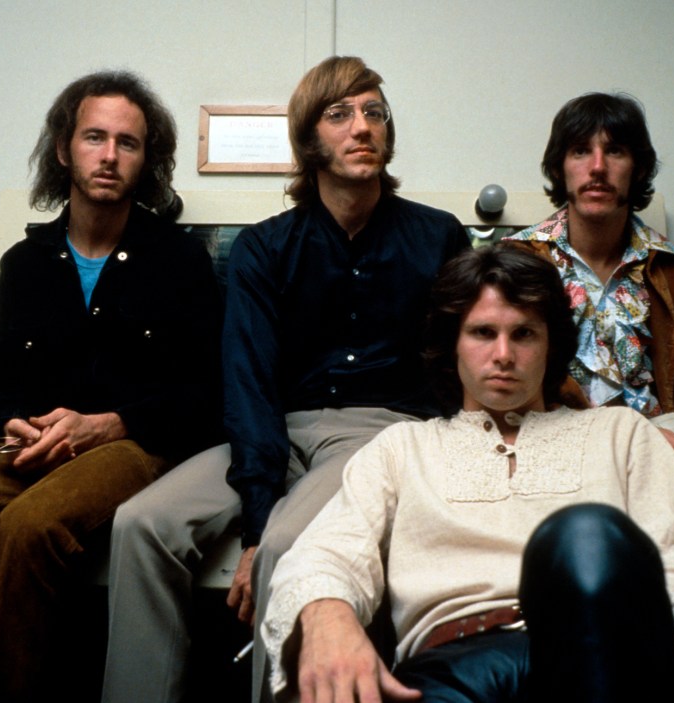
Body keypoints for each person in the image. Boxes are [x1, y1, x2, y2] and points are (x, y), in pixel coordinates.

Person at [101, 55, 470, 703]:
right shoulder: (265, 247)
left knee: (288, 544)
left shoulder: (437, 237)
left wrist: (261, 535)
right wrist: (256, 509)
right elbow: (248, 384)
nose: (362, 126)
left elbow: (463, 360)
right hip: (278, 426)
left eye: (374, 112)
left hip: (382, 432)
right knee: (140, 524)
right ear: (308, 139)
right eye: (339, 114)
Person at [263, 243, 674, 703]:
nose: (503, 355)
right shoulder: (402, 448)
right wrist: (325, 612)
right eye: (483, 333)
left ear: (551, 346)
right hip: (449, 669)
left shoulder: (621, 433)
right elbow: (325, 553)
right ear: (453, 344)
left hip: (601, 654)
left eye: (524, 333)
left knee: (583, 532)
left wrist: (639, 647)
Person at [0, 70, 223, 703]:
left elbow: (205, 396)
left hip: (133, 445)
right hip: (35, 441)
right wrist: (12, 421)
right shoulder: (25, 263)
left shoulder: (179, 261)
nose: (109, 155)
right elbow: (3, 389)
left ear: (145, 159)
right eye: (94, 137)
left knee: (30, 526)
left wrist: (109, 424)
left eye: (127, 143)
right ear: (62, 148)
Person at [505, 92, 674, 488]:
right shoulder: (516, 263)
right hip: (559, 456)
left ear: (637, 169)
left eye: (615, 151)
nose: (598, 167)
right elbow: (499, 384)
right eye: (580, 151)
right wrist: (623, 440)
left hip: (667, 460)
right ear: (559, 167)